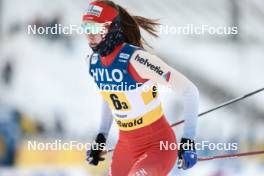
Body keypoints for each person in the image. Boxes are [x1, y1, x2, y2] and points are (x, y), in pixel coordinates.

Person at [84, 1, 199, 175]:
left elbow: (189, 91)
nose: (89, 35)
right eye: (86, 28)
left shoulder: (137, 59)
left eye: (95, 29)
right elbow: (109, 95)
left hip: (157, 147)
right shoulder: (93, 62)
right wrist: (101, 138)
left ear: (112, 29)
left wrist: (188, 140)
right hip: (126, 147)